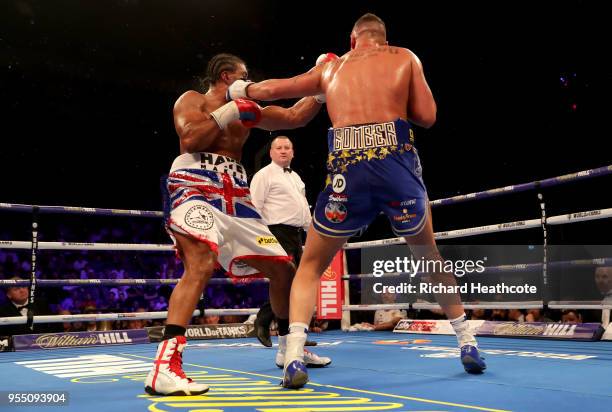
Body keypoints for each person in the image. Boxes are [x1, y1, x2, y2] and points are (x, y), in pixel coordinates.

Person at [227, 13, 486, 388]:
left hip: (347, 165)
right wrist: (393, 103)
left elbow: (276, 89)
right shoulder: (405, 57)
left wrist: (241, 90)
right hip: (396, 160)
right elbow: (428, 117)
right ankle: (467, 342)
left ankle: (294, 356)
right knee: (428, 255)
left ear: (353, 40)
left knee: (311, 265)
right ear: (382, 39)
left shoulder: (332, 68)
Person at [144, 53, 329, 396]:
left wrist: (320, 86)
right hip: (195, 184)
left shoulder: (249, 112)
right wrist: (228, 110)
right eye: (245, 76)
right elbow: (190, 139)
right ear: (228, 77)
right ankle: (164, 368)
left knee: (283, 270)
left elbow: (292, 116)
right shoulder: (193, 100)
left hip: (236, 195)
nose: (251, 83)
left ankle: (290, 351)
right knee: (199, 264)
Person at [250, 135, 313, 347]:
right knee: (285, 281)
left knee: (296, 284)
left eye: (287, 147)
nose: (283, 151)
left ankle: (283, 330)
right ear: (271, 152)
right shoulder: (264, 175)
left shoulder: (295, 177)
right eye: (279, 148)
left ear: (293, 152)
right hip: (275, 232)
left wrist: (312, 232)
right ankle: (276, 327)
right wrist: (260, 239)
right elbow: (254, 208)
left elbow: (303, 208)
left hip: (296, 235)